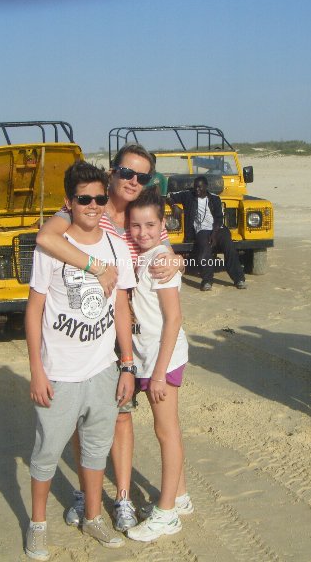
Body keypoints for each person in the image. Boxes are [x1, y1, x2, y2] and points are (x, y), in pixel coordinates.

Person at [34, 143, 183, 532]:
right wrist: (98, 266)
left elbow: (161, 246)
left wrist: (178, 258)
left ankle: (121, 499)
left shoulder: (139, 215)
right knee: (90, 416)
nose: (134, 181)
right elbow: (47, 239)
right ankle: (88, 492)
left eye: (143, 176)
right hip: (95, 327)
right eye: (127, 173)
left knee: (121, 416)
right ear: (112, 171)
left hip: (129, 327)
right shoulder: (85, 207)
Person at [24, 162, 136, 560]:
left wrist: (126, 364)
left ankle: (93, 517)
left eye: (99, 198)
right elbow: (34, 310)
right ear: (68, 202)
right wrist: (37, 370)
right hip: (60, 373)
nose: (92, 206)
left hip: (103, 370)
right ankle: (38, 527)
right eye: (84, 199)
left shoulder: (115, 246)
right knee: (46, 453)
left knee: (95, 450)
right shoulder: (51, 247)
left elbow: (122, 305)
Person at [124, 187, 192, 542]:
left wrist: (161, 373)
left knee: (166, 432)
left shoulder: (160, 260)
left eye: (150, 225)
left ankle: (166, 514)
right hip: (152, 356)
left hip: (161, 359)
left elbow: (174, 318)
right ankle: (179, 497)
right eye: (135, 226)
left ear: (162, 224)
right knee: (168, 430)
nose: (142, 232)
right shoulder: (150, 255)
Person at [168, 175, 246, 291]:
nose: (197, 190)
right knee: (204, 250)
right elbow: (169, 196)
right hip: (201, 229)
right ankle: (207, 280)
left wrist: (214, 234)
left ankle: (239, 279)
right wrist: (174, 206)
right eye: (195, 187)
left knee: (229, 246)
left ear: (206, 187)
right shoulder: (188, 196)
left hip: (218, 228)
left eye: (200, 188)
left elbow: (219, 219)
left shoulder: (215, 199)